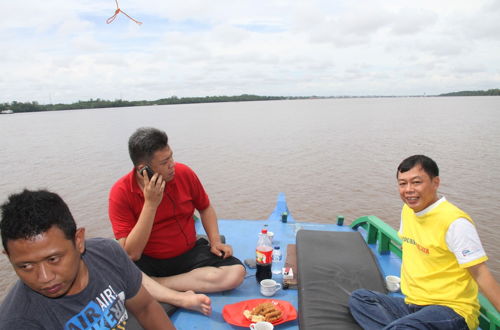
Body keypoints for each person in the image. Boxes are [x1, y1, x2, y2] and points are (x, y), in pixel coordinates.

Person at [349, 155, 500, 330]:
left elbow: (481, 273)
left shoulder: (455, 222)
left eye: (416, 182)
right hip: (413, 306)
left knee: (403, 327)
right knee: (360, 298)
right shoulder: (408, 211)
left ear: (435, 183)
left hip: (450, 311)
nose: (408, 190)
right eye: (402, 183)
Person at [0, 189, 174, 329]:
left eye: (53, 259)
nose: (45, 278)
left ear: (78, 240)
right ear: (9, 257)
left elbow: (146, 308)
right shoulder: (18, 321)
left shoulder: (108, 254)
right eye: (25, 266)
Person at [108, 127, 245, 300]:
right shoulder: (120, 193)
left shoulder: (184, 173)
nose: (172, 164)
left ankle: (159, 284)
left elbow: (205, 207)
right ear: (143, 169)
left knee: (236, 273)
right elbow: (132, 253)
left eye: (171, 156)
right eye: (164, 162)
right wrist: (150, 204)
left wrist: (215, 241)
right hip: (149, 259)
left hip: (188, 254)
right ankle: (167, 284)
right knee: (121, 275)